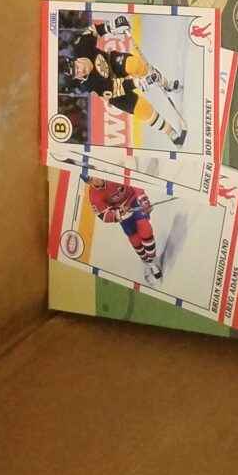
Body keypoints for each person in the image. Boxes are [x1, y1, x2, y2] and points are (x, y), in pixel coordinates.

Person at [64, 19, 188, 149]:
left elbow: (93, 30)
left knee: (136, 66)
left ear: (76, 60)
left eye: (77, 68)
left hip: (111, 62)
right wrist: (138, 83)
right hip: (115, 93)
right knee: (142, 109)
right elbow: (117, 87)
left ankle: (166, 85)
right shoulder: (89, 84)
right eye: (76, 74)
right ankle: (171, 133)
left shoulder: (81, 47)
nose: (80, 72)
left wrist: (112, 26)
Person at [86, 177, 165, 284]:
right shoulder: (93, 195)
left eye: (94, 176)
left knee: (145, 228)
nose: (95, 180)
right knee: (135, 239)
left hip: (133, 200)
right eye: (91, 180)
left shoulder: (112, 173)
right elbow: (103, 215)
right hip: (122, 212)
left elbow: (135, 181)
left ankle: (152, 259)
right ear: (89, 183)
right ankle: (148, 262)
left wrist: (143, 200)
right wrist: (118, 213)